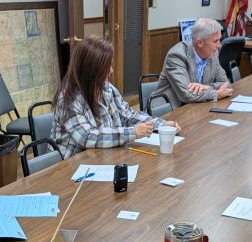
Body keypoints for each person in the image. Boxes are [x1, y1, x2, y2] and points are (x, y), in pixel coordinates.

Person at [51, 36, 179, 159]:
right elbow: (88, 137)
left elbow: (128, 115)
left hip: (105, 156)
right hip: (71, 167)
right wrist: (133, 132)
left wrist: (161, 125)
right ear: (92, 70)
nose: (111, 71)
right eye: (107, 67)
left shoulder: (106, 87)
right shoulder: (68, 99)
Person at [151, 17, 233, 107]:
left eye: (219, 40)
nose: (219, 45)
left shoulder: (212, 54)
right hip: (168, 111)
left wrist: (209, 87)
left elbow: (227, 85)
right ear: (200, 43)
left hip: (196, 107)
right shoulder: (177, 55)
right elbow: (187, 95)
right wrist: (217, 94)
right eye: (215, 41)